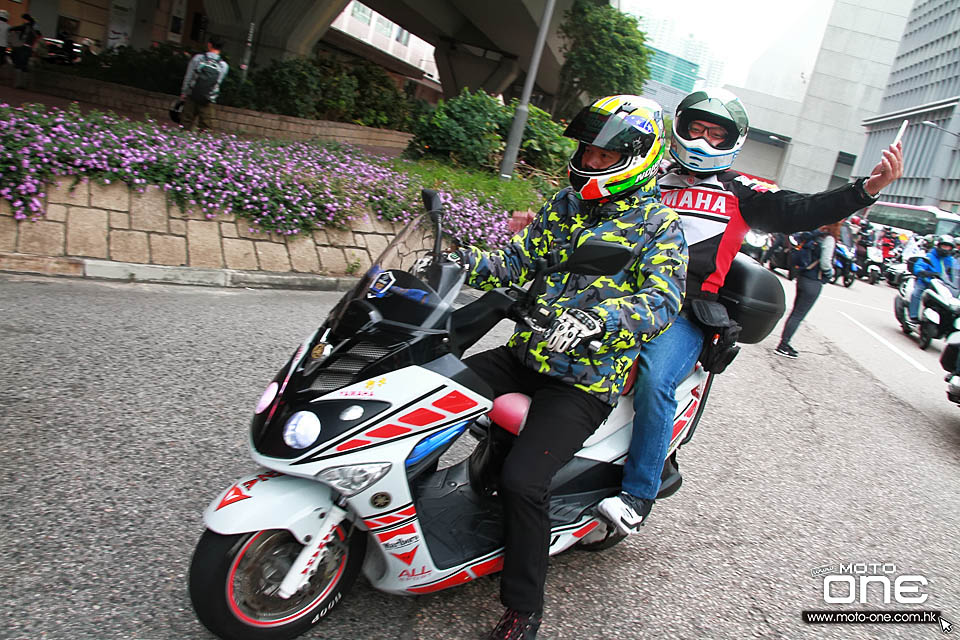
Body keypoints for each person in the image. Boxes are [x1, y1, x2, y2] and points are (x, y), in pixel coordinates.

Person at [597, 87, 904, 535]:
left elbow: (802, 209)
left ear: (733, 141)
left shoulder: (743, 194)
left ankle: (637, 495)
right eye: (697, 129)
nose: (704, 140)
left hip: (683, 313)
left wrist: (866, 189)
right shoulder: (646, 178)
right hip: (621, 298)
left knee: (655, 380)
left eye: (716, 135)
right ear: (679, 128)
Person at [452, 95, 686, 640]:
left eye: (605, 155)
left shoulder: (658, 224)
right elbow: (520, 258)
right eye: (587, 150)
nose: (591, 161)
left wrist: (598, 320)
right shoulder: (566, 204)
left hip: (582, 380)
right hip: (526, 353)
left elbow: (661, 302)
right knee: (426, 387)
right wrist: (463, 259)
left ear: (640, 156)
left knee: (524, 480)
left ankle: (523, 612)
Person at [774, 223, 838, 358]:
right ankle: (783, 345)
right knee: (799, 315)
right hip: (814, 280)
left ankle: (784, 342)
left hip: (802, 277)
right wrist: (830, 273)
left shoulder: (814, 234)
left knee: (795, 313)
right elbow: (826, 262)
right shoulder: (828, 239)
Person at [179, 36, 229, 131]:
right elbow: (217, 83)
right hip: (208, 99)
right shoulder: (223, 66)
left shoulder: (198, 58)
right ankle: (202, 145)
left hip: (192, 95)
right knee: (205, 128)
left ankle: (182, 143)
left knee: (185, 123)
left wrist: (184, 93)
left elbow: (188, 77)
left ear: (209, 45)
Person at [908, 234, 958, 323]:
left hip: (944, 285)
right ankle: (914, 316)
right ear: (938, 245)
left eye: (948, 247)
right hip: (926, 282)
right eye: (944, 246)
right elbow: (919, 266)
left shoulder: (951, 260)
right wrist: (923, 272)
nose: (946, 249)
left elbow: (955, 272)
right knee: (916, 293)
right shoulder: (929, 256)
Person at [8, 13, 38, 88]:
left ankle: (17, 83)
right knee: (24, 66)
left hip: (23, 48)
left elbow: (13, 29)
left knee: (18, 65)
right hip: (29, 49)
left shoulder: (25, 27)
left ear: (26, 20)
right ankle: (23, 84)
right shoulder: (33, 29)